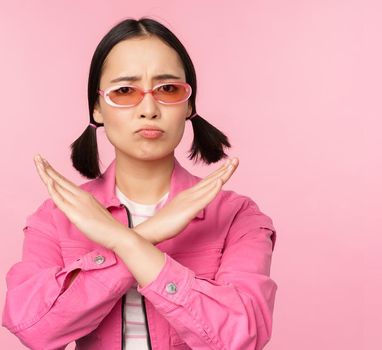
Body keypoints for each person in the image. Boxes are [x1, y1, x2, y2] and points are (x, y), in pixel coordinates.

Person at [1, 17, 278, 350]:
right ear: (97, 108)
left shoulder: (237, 217)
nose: (149, 109)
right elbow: (34, 329)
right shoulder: (56, 218)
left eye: (168, 89)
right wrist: (145, 237)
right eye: (124, 91)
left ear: (188, 105)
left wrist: (126, 242)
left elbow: (241, 338)